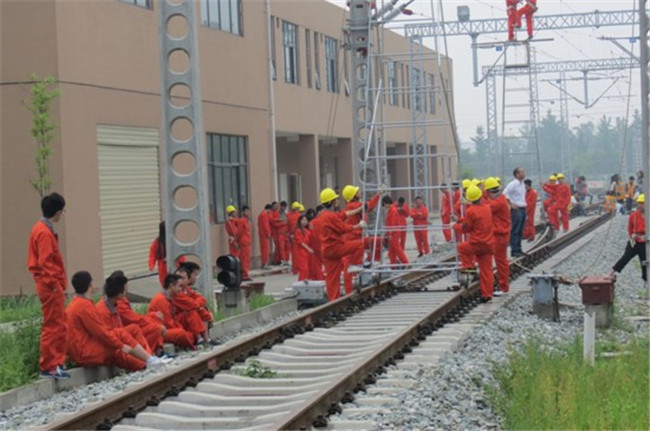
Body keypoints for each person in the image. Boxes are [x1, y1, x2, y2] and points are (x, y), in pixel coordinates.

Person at [67, 271, 167, 371]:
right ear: (91, 284)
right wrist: (120, 345)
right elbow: (101, 333)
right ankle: (148, 361)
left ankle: (148, 361)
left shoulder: (75, 305)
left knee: (130, 330)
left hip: (83, 350)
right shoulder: (85, 306)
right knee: (120, 337)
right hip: (85, 353)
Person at [27, 192, 70, 379]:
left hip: (49, 284)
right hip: (49, 285)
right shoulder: (44, 233)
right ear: (58, 211)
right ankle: (49, 365)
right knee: (53, 325)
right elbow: (46, 262)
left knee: (58, 323)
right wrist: (55, 284)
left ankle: (56, 363)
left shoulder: (40, 229)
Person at [319, 188, 365, 301]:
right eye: (336, 199)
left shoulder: (324, 215)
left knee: (332, 278)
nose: (338, 200)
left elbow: (344, 214)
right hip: (336, 248)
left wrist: (359, 209)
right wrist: (359, 225)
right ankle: (352, 266)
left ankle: (334, 301)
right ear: (332, 202)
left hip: (326, 251)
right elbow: (344, 228)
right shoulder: (332, 216)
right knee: (360, 244)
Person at [96, 273, 155, 356]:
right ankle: (148, 358)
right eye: (125, 287)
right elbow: (108, 336)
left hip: (120, 338)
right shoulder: (103, 310)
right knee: (155, 328)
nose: (127, 289)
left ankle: (149, 356)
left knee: (135, 328)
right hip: (114, 345)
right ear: (119, 294)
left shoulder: (112, 303)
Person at [454, 185, 495, 302]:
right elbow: (476, 221)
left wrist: (455, 226)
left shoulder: (470, 210)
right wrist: (460, 220)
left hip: (477, 244)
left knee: (461, 248)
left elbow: (466, 228)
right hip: (488, 245)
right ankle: (487, 295)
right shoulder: (487, 208)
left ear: (470, 199)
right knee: (487, 271)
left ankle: (469, 267)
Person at [341, 184, 383, 293]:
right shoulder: (353, 206)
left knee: (377, 242)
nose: (360, 193)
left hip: (356, 238)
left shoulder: (353, 206)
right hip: (352, 239)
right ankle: (349, 290)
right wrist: (378, 195)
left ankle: (370, 264)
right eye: (357, 192)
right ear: (353, 196)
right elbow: (369, 206)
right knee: (350, 265)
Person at [113, 271, 166, 356]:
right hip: (126, 333)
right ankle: (147, 355)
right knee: (157, 328)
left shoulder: (122, 300)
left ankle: (158, 348)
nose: (128, 286)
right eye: (126, 284)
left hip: (128, 329)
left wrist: (152, 317)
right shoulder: (119, 302)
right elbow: (134, 319)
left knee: (156, 319)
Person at [147, 274, 196, 350]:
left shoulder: (168, 297)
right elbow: (167, 322)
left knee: (188, 318)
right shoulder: (161, 300)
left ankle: (194, 340)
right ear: (171, 286)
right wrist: (182, 329)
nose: (181, 289)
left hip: (166, 327)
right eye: (179, 286)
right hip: (160, 332)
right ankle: (193, 345)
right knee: (182, 333)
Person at [173, 267, 215, 346]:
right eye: (177, 278)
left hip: (186, 316)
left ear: (188, 280)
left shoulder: (187, 289)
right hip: (176, 319)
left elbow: (201, 299)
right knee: (192, 311)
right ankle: (199, 339)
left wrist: (198, 305)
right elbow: (189, 304)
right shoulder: (176, 291)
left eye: (182, 278)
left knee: (202, 310)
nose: (180, 281)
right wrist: (197, 305)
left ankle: (207, 339)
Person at [611, 194, 647, 282]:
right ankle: (613, 272)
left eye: (642, 203)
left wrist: (644, 236)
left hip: (645, 243)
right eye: (639, 203)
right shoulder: (634, 215)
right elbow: (630, 228)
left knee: (645, 262)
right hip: (634, 241)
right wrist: (632, 236)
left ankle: (646, 280)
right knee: (626, 257)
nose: (640, 205)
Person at [485, 178, 510, 296]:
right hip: (500, 234)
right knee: (501, 261)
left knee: (501, 262)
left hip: (500, 235)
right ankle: (503, 285)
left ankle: (503, 287)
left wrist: (470, 201)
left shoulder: (497, 203)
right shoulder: (500, 199)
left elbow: (485, 209)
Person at [148, 221, 185, 287]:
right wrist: (151, 265)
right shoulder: (157, 242)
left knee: (175, 284)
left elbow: (180, 254)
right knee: (166, 285)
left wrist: (182, 265)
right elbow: (152, 254)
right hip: (163, 268)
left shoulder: (173, 240)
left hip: (174, 267)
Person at [503, 167, 527, 257]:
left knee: (520, 230)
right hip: (517, 210)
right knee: (515, 230)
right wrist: (511, 204)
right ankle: (514, 250)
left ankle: (519, 249)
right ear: (517, 174)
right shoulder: (513, 184)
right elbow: (505, 194)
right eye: (522, 172)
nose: (524, 174)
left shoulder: (522, 184)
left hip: (523, 208)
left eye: (524, 172)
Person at [383, 196, 410, 266]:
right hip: (392, 232)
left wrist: (390, 234)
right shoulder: (392, 209)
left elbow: (392, 223)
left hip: (394, 233)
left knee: (397, 248)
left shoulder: (392, 210)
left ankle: (406, 263)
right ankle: (393, 265)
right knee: (392, 250)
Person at [306, 206, 325, 281]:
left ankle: (317, 278)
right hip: (321, 244)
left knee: (317, 264)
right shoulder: (324, 221)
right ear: (319, 212)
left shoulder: (312, 223)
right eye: (323, 211)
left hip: (315, 245)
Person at [293, 215, 313, 281]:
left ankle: (304, 284)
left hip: (305, 253)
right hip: (300, 252)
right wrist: (308, 249)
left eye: (306, 220)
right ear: (300, 221)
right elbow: (300, 242)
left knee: (306, 270)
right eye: (303, 220)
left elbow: (311, 237)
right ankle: (300, 284)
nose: (305, 222)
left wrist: (311, 229)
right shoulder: (298, 230)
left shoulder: (306, 231)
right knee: (303, 269)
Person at [237, 205, 252, 281]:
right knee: (244, 259)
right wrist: (237, 241)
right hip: (244, 242)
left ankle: (245, 273)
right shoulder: (242, 221)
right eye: (246, 211)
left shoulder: (246, 221)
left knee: (246, 259)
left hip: (247, 242)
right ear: (243, 212)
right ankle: (244, 275)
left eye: (248, 211)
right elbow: (239, 232)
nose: (248, 213)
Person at [287, 202, 303, 274]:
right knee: (300, 253)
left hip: (292, 236)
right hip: (299, 235)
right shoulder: (300, 216)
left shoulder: (289, 217)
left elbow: (287, 227)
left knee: (294, 254)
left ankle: (295, 269)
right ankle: (299, 268)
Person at [257, 204, 272, 269]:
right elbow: (266, 226)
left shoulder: (260, 215)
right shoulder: (264, 215)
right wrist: (268, 234)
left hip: (261, 234)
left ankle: (264, 263)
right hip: (264, 235)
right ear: (269, 209)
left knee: (263, 249)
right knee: (265, 249)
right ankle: (264, 263)